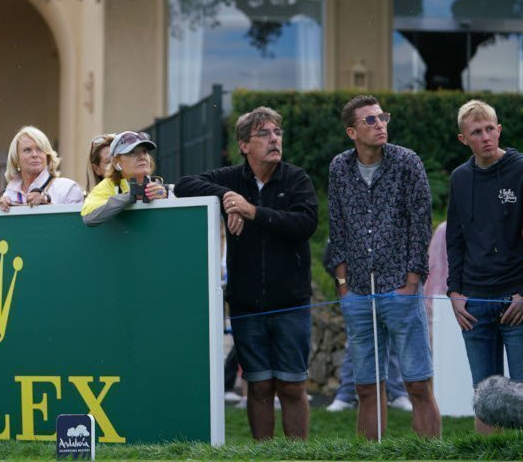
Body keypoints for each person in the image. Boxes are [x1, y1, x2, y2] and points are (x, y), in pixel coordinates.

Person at [174, 107, 318, 441]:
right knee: (260, 385)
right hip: (246, 303)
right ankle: (263, 453)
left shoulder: (296, 179)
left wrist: (252, 211)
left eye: (277, 133)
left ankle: (298, 455)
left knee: (292, 385)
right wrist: (227, 197)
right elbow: (184, 185)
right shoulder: (231, 179)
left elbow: (305, 224)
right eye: (264, 134)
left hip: (291, 301)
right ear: (244, 145)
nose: (274, 139)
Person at [324, 95, 440, 440]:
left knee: (418, 383)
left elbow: (421, 225)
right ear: (352, 132)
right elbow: (337, 227)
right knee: (366, 388)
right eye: (370, 120)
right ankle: (370, 455)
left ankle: (430, 455)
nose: (380, 125)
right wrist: (343, 285)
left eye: (382, 117)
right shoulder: (339, 167)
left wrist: (412, 281)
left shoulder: (407, 162)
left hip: (401, 288)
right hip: (358, 292)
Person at [445, 99, 523, 434]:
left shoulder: (520, 169)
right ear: (463, 139)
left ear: (500, 129)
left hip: (515, 300)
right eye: (476, 132)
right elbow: (454, 239)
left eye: (490, 128)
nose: (486, 136)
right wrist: (454, 291)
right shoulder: (460, 179)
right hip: (474, 303)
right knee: (485, 399)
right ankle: (488, 455)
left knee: (521, 396)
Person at [81, 131, 169, 225]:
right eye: (132, 153)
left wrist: (165, 196)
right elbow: (88, 216)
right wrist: (131, 195)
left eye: (144, 152)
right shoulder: (109, 184)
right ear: (116, 163)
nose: (142, 157)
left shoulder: (159, 184)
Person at [0, 126, 85, 211]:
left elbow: (73, 221)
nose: (34, 155)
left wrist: (46, 207)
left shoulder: (68, 189)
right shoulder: (8, 194)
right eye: (27, 150)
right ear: (16, 159)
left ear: (47, 156)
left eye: (40, 149)